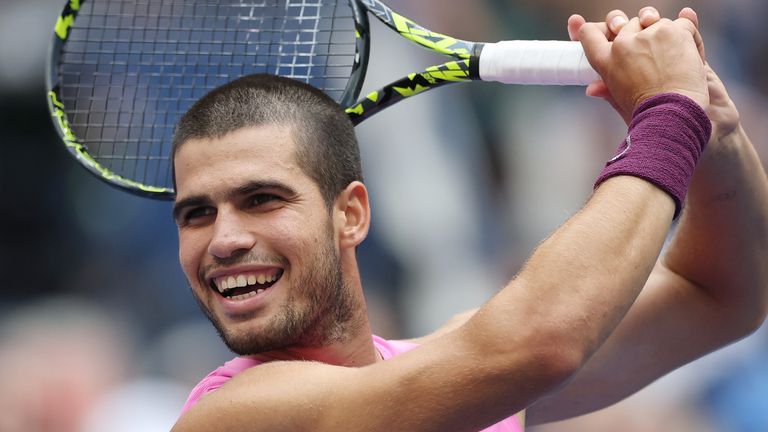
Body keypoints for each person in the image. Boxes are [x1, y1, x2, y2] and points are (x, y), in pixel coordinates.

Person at [170, 6, 768, 431]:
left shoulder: (464, 368)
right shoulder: (232, 415)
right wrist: (668, 116)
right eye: (196, 214)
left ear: (349, 215)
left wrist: (716, 132)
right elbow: (541, 343)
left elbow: (724, 293)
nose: (223, 239)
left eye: (262, 200)